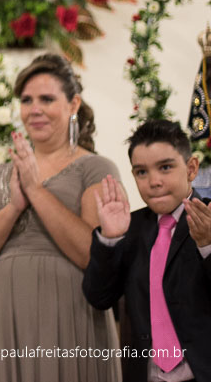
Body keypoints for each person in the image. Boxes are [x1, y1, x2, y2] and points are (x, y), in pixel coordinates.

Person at [0, 53, 121, 382]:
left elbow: (93, 255)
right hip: (7, 313)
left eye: (47, 99)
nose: (35, 109)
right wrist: (14, 206)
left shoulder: (96, 168)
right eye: (27, 100)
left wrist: (36, 190)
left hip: (70, 311)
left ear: (73, 104)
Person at [83, 119, 211, 382]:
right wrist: (111, 239)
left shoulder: (209, 220)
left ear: (191, 168)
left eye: (165, 167)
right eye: (141, 172)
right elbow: (99, 297)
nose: (154, 181)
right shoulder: (131, 228)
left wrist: (208, 246)